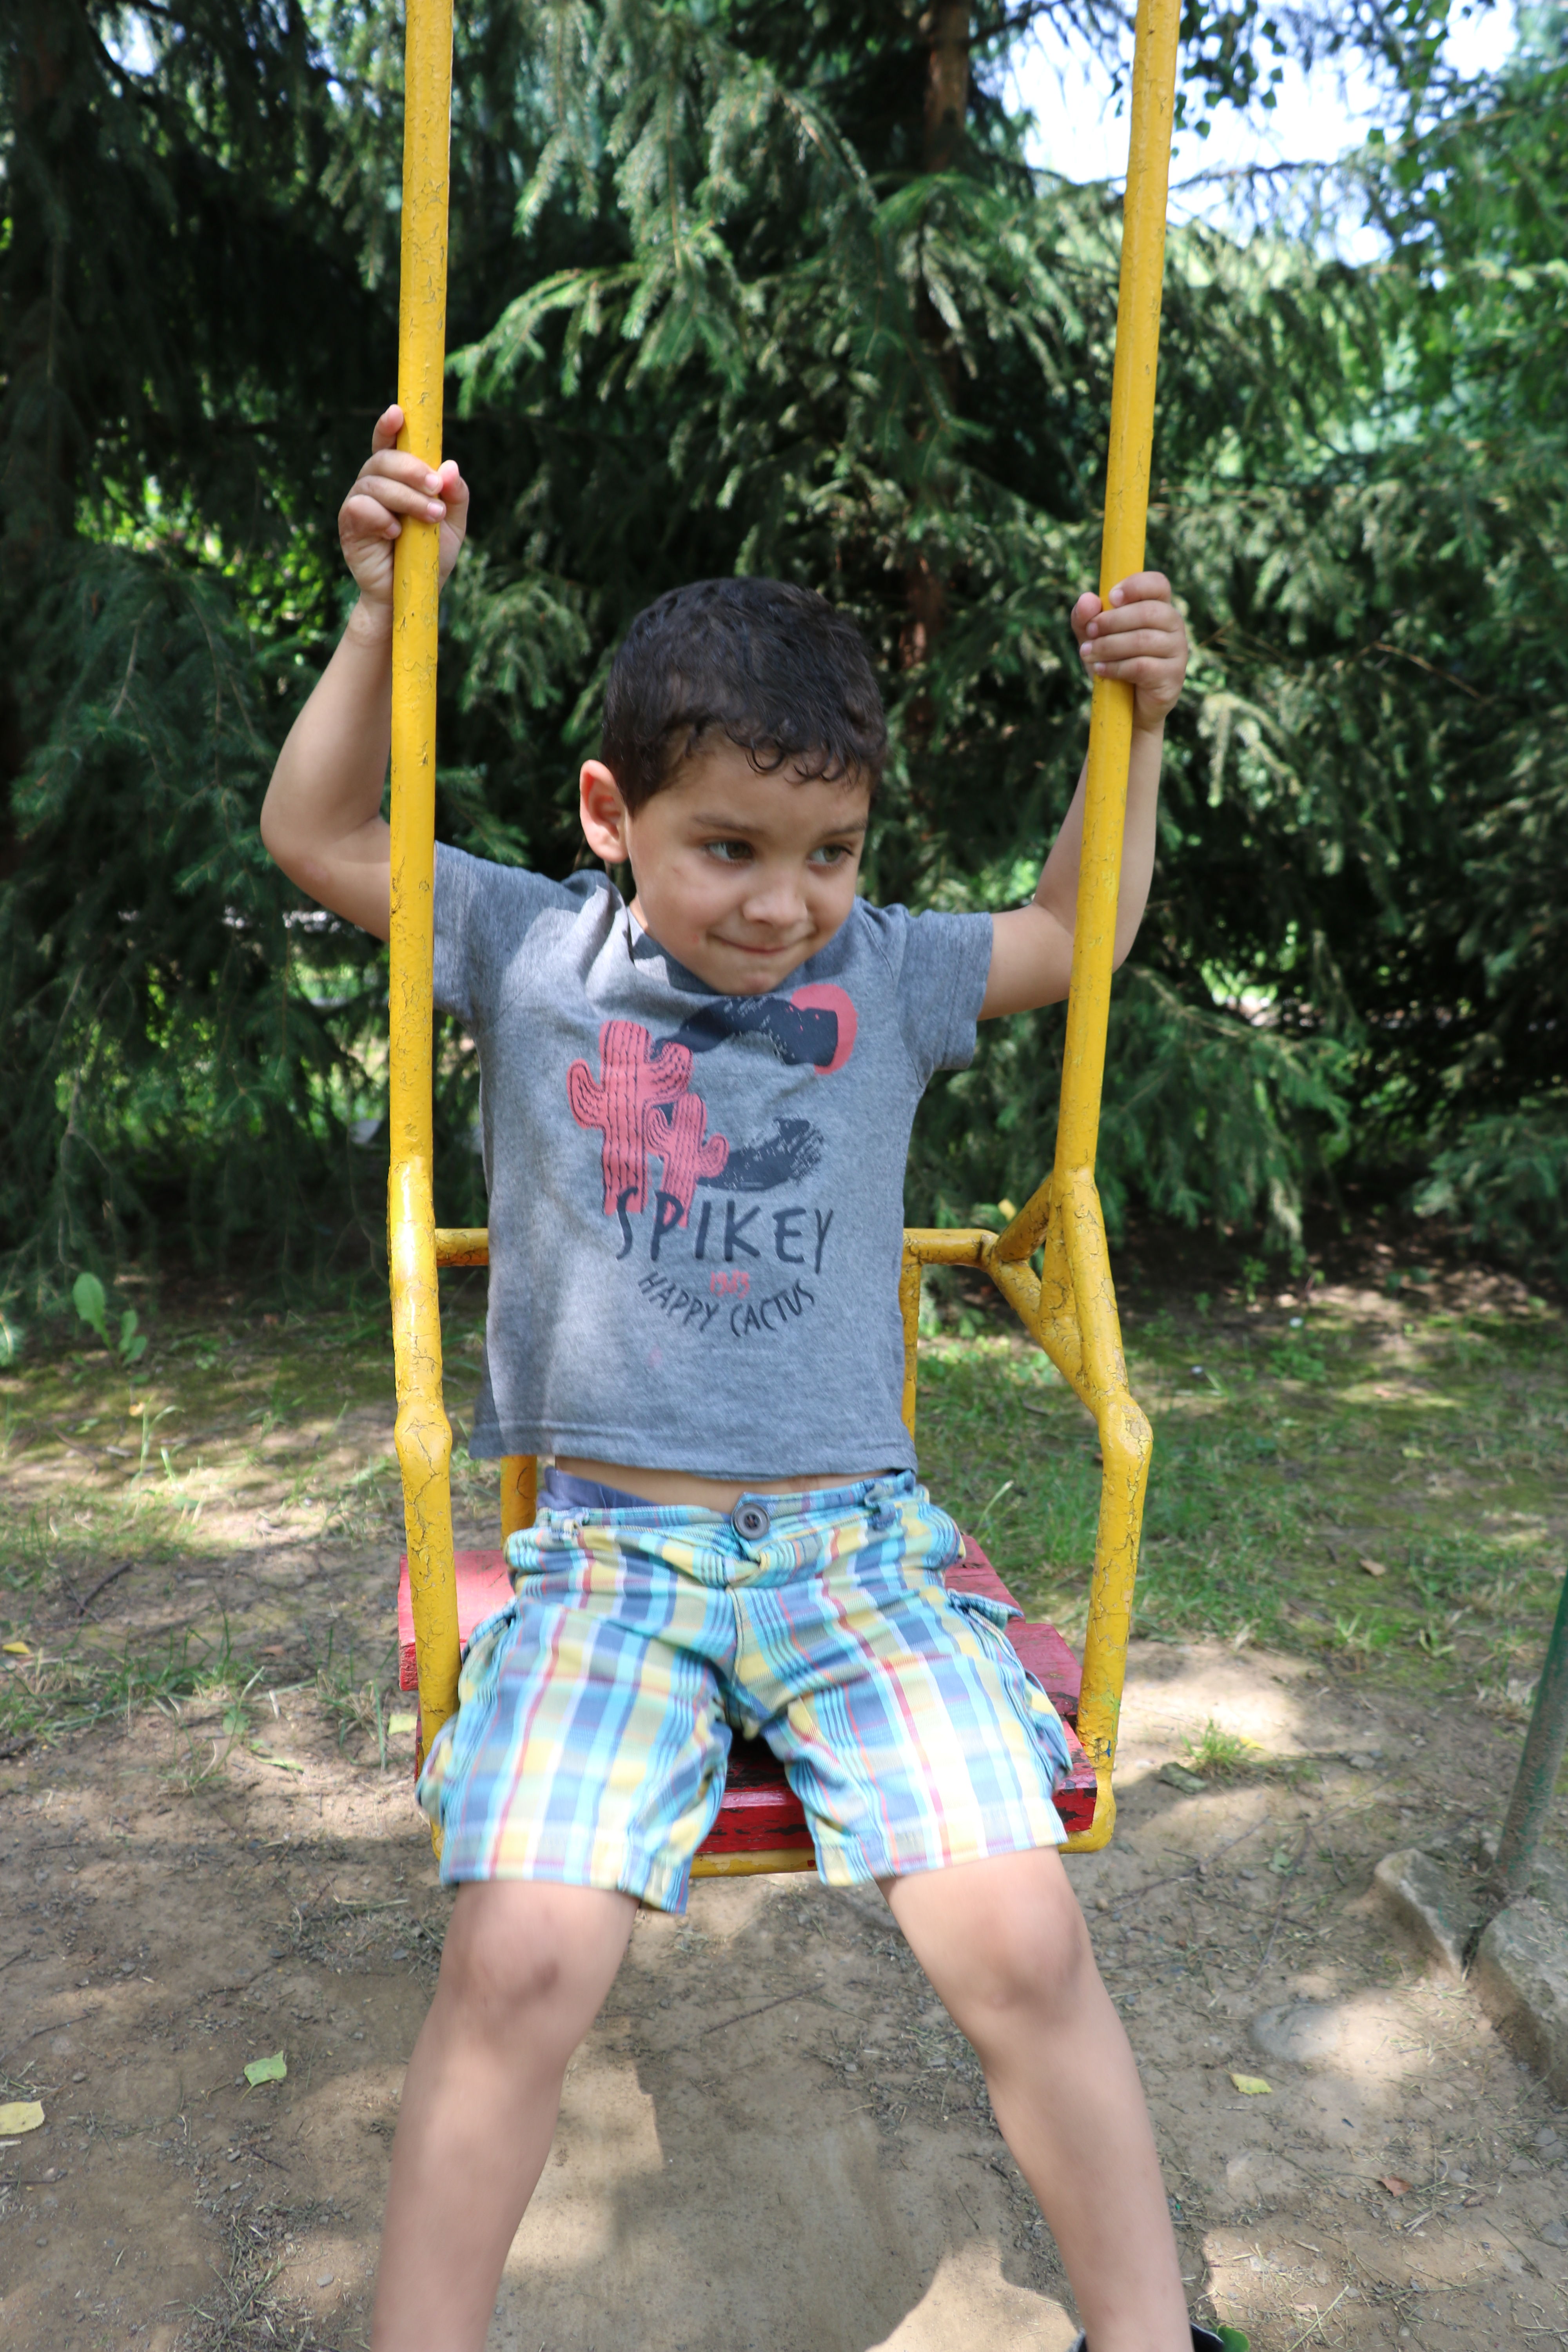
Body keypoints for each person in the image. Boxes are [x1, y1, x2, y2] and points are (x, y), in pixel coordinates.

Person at [260, 407, 1227, 2352]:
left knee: (1023, 1941)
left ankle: (1143, 2333)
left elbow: (1075, 929)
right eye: (728, 849)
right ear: (611, 815)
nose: (782, 902)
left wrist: (1131, 725)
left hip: (857, 1556)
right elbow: (320, 837)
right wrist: (376, 616)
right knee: (519, 1964)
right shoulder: (531, 951)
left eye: (828, 853)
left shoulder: (882, 975)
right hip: (610, 1564)